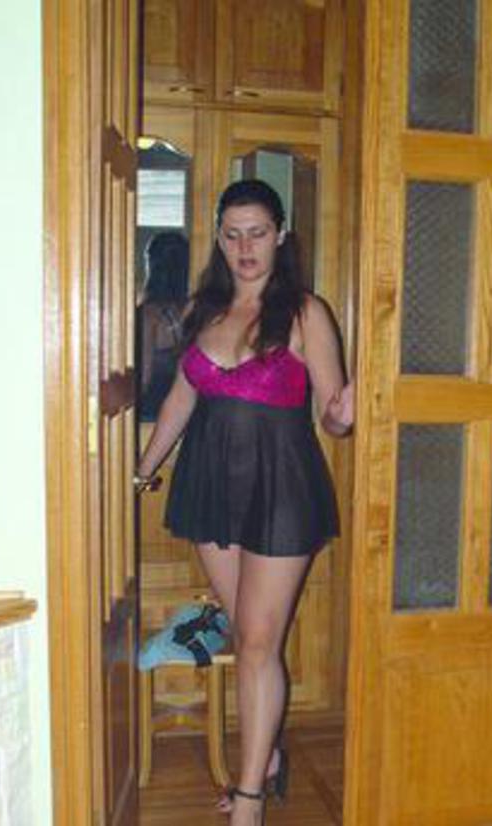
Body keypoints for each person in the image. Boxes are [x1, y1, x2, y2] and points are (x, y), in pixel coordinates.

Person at [135, 179, 353, 826]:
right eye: (232, 234)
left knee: (258, 644)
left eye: (257, 232)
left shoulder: (306, 313)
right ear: (218, 238)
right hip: (210, 484)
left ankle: (250, 797)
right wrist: (140, 473)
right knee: (248, 632)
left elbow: (332, 414)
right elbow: (181, 398)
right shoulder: (203, 310)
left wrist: (342, 417)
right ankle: (269, 757)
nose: (245, 247)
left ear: (280, 235)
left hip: (282, 487)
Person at [137, 230, 189, 421]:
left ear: (152, 266)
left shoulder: (148, 315)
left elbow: (144, 377)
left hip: (152, 414)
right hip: (187, 413)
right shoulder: (194, 309)